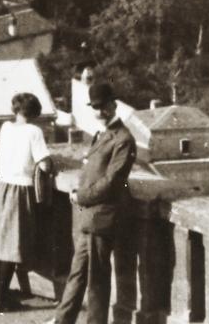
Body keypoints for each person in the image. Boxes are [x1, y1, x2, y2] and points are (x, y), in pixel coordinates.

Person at [54, 82, 135, 324]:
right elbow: (94, 173)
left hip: (103, 217)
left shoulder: (123, 139)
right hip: (89, 216)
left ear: (114, 105)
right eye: (95, 107)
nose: (99, 112)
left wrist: (81, 196)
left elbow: (112, 181)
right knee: (78, 275)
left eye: (103, 106)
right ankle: (62, 320)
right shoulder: (101, 135)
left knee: (96, 279)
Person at [0, 92, 53, 313]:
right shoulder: (34, 132)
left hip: (1, 188)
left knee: (1, 239)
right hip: (20, 189)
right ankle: (2, 298)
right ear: (35, 112)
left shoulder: (6, 128)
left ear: (15, 110)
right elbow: (44, 164)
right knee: (13, 242)